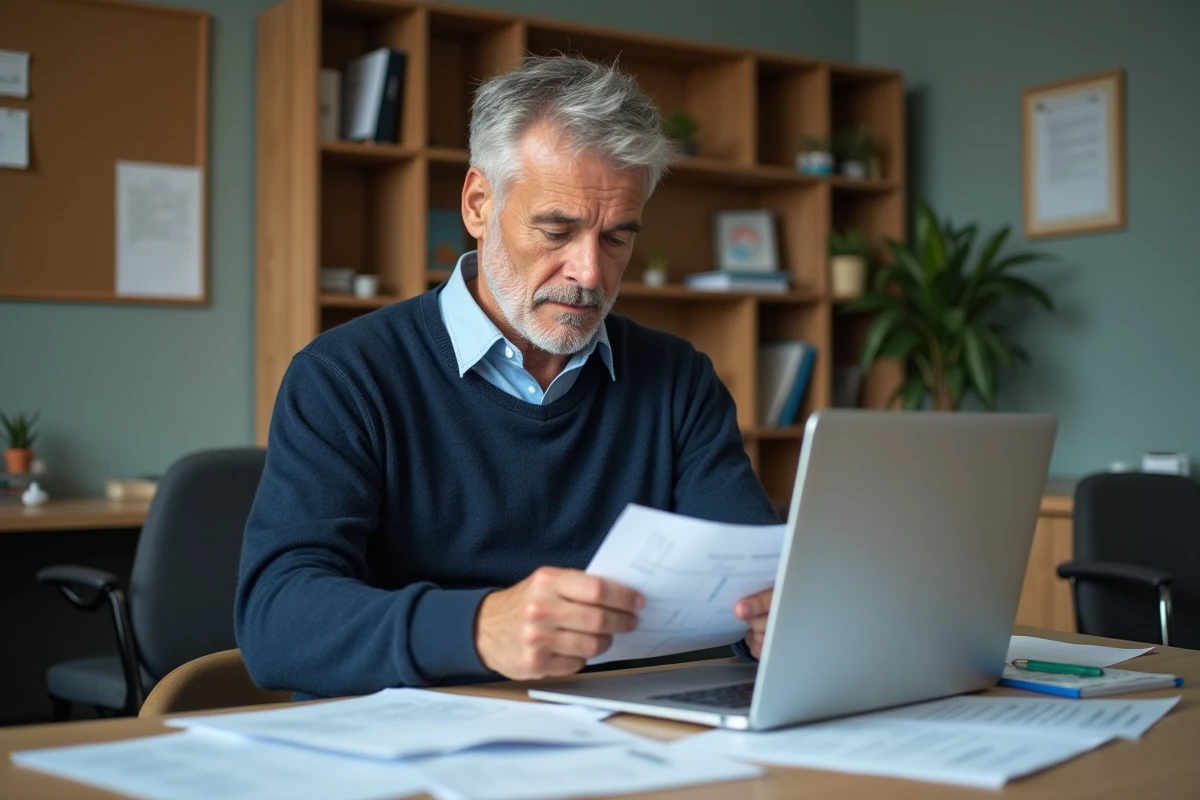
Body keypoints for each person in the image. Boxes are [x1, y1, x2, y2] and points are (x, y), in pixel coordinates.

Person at [236, 56, 779, 699]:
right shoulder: (344, 377)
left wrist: (777, 616)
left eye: (616, 240)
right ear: (477, 203)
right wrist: (475, 628)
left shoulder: (678, 382)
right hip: (412, 743)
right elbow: (276, 623)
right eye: (557, 230)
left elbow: (749, 576)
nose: (590, 274)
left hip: (631, 742)